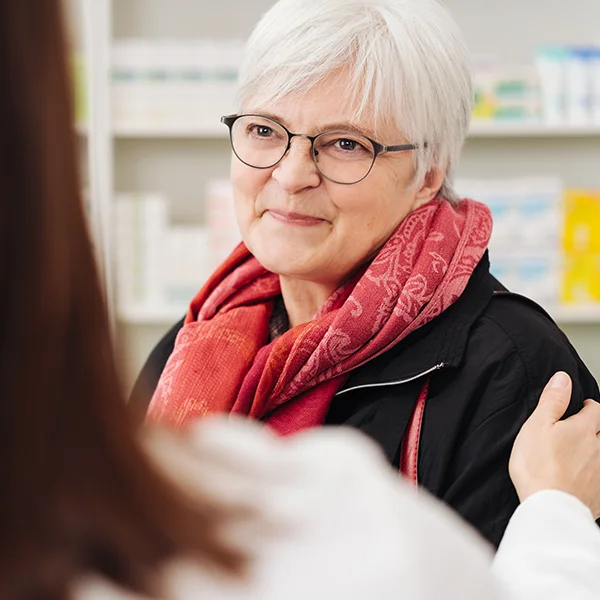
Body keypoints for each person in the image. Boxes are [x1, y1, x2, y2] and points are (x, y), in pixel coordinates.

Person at [2, 1, 600, 599]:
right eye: (264, 131)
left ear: (426, 172)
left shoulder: (512, 367)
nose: (291, 175)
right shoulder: (189, 347)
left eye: (343, 144)